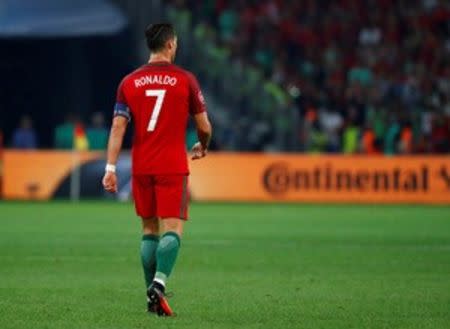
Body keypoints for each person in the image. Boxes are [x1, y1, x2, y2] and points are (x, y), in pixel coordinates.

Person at [101, 23, 212, 316]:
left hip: (142, 166)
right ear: (171, 45)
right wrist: (203, 144)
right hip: (172, 166)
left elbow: (117, 126)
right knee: (173, 228)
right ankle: (159, 285)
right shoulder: (185, 79)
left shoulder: (129, 82)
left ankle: (151, 294)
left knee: (149, 229)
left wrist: (110, 167)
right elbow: (204, 126)